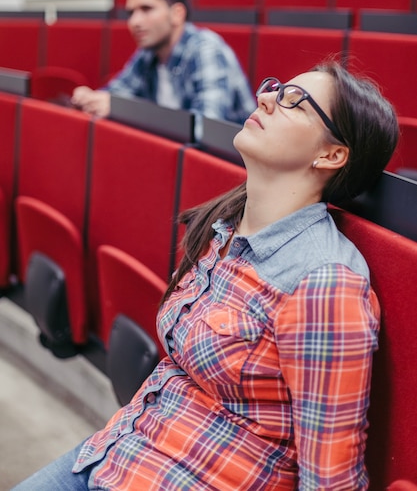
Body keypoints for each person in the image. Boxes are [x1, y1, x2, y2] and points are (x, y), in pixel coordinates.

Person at [13, 60, 399, 490]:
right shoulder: (228, 226)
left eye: (294, 101)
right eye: (275, 87)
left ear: (331, 155)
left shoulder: (324, 282)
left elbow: (331, 481)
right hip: (123, 452)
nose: (266, 97)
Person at [71, 0, 256, 135]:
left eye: (146, 9)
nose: (134, 21)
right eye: (130, 13)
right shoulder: (148, 53)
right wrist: (91, 99)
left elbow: (205, 129)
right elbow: (117, 93)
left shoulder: (206, 50)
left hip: (229, 166)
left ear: (177, 14)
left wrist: (125, 110)